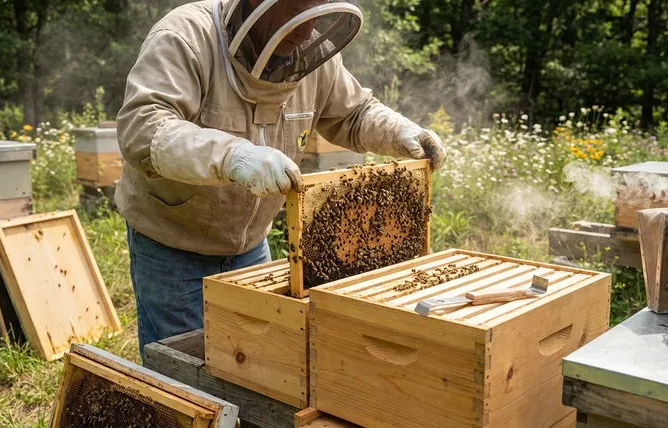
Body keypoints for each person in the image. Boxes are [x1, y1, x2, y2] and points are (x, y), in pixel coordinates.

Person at [115, 0, 447, 360]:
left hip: (252, 246)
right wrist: (231, 156)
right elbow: (143, 128)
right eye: (294, 15)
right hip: (173, 244)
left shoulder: (313, 54)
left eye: (315, 17)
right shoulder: (185, 36)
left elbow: (354, 113)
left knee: (259, 366)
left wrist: (400, 132)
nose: (306, 32)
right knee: (184, 376)